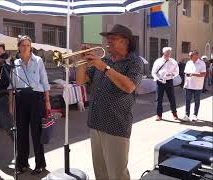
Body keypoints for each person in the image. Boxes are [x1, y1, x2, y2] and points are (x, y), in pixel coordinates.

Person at [76, 24, 143, 180]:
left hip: (116, 124)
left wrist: (104, 68)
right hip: (96, 122)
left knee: (117, 174)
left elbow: (129, 87)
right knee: (100, 173)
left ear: (125, 41)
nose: (108, 41)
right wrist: (82, 61)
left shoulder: (134, 62)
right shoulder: (105, 59)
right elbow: (80, 81)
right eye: (108, 38)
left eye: (113, 39)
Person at [8, 35, 51, 175]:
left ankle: (40, 164)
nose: (26, 47)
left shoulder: (38, 60)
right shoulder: (15, 63)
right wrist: (11, 104)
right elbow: (12, 85)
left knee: (36, 132)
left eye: (28, 45)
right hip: (20, 98)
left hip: (36, 98)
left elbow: (44, 82)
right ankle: (22, 163)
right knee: (21, 134)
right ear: (19, 47)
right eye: (23, 45)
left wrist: (47, 101)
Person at [151, 47, 179, 121]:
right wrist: (158, 79)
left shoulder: (173, 62)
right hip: (160, 82)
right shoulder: (158, 61)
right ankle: (158, 115)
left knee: (172, 98)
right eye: (167, 53)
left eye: (169, 53)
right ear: (163, 53)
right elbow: (153, 72)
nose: (168, 54)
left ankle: (175, 114)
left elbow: (177, 72)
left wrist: (171, 75)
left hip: (169, 81)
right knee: (159, 99)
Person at [182, 50, 206, 121]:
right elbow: (185, 73)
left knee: (196, 101)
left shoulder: (202, 63)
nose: (190, 57)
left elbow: (204, 74)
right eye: (189, 55)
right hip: (189, 85)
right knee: (187, 100)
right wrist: (185, 84)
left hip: (197, 86)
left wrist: (194, 74)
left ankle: (195, 115)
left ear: (196, 55)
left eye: (191, 55)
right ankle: (187, 115)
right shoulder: (188, 63)